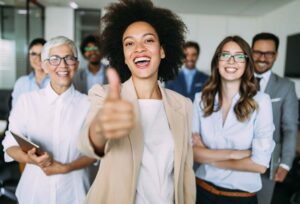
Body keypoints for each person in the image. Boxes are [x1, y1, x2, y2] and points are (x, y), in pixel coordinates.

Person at [77, 0, 196, 203]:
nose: (139, 48)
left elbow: (185, 171)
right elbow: (88, 143)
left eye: (148, 40)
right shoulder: (104, 96)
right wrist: (100, 129)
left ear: (163, 51)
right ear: (123, 56)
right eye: (129, 43)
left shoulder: (183, 105)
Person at [2, 36, 95, 204]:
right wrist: (30, 159)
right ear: (44, 66)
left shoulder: (89, 105)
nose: (63, 65)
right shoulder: (27, 101)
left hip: (75, 194)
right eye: (54, 59)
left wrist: (67, 167)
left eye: (69, 58)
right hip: (35, 193)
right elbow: (10, 144)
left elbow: (95, 152)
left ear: (77, 64)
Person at [192, 36, 275, 204]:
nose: (231, 61)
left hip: (240, 198)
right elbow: (192, 152)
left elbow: (259, 165)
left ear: (246, 64)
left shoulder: (261, 101)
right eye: (225, 55)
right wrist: (235, 154)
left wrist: (208, 156)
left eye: (239, 56)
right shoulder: (201, 99)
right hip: (202, 191)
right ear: (217, 61)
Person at [252, 32, 298, 204]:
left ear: (276, 55)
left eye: (269, 53)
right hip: (235, 157)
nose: (262, 58)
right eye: (258, 52)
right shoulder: (236, 79)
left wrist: (285, 163)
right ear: (250, 52)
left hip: (268, 161)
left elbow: (290, 127)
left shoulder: (286, 87)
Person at [11, 38, 50, 108]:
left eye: (42, 54)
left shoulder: (57, 81)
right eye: (33, 54)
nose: (38, 58)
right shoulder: (21, 83)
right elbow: (16, 112)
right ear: (29, 56)